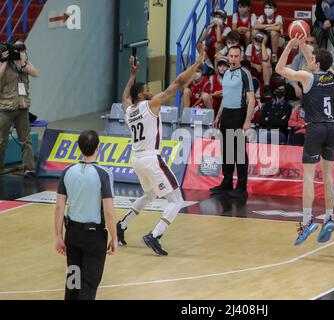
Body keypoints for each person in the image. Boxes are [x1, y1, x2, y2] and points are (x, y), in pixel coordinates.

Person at [116, 50, 206, 255]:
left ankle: (121, 225)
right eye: (147, 89)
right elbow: (177, 83)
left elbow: (124, 97)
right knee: (176, 200)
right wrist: (197, 64)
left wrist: (132, 75)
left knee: (149, 194)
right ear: (141, 95)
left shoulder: (129, 110)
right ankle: (155, 235)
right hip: (150, 158)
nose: (150, 91)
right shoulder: (151, 105)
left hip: (136, 159)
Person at [276, 36, 334, 246]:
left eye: (312, 60)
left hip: (316, 129)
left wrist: (290, 47)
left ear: (316, 64)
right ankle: (328, 217)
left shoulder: (307, 77)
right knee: (328, 175)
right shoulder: (332, 75)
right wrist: (302, 44)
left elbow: (279, 69)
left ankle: (306, 221)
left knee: (309, 177)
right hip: (332, 127)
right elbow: (316, 59)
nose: (308, 61)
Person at [54, 130, 118, 300]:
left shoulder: (67, 171)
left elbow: (60, 207)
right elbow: (109, 211)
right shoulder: (104, 174)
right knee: (89, 285)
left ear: (79, 148)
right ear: (99, 147)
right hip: (94, 237)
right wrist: (115, 237)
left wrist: (58, 236)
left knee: (73, 282)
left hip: (73, 235)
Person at [210, 46, 256, 198]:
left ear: (241, 57)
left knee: (239, 152)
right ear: (228, 57)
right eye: (231, 56)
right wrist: (218, 116)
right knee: (227, 150)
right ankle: (227, 182)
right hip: (227, 114)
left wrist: (248, 120)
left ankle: (242, 187)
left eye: (236, 56)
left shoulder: (245, 74)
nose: (233, 59)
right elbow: (226, 96)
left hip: (238, 114)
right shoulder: (227, 73)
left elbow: (251, 99)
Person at [0, 39, 39, 178]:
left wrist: (22, 63)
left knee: (26, 140)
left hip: (22, 107)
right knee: (1, 140)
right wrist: (5, 61)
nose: (19, 51)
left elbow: (36, 73)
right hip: (6, 107)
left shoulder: (24, 65)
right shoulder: (4, 64)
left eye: (22, 48)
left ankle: (29, 169)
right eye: (17, 48)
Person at [258, 77, 292, 144]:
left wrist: (269, 118)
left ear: (285, 92)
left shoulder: (288, 107)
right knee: (264, 137)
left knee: (272, 137)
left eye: (282, 90)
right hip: (265, 131)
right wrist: (278, 119)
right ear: (274, 91)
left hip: (280, 132)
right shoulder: (267, 105)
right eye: (278, 89)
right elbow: (261, 122)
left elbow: (284, 123)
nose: (280, 91)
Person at [285, 35, 318, 101]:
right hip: (301, 84)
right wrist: (295, 86)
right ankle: (296, 106)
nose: (309, 44)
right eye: (307, 42)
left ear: (316, 45)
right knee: (289, 87)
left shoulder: (320, 57)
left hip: (315, 85)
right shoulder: (299, 57)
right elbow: (290, 73)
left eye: (312, 43)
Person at [245, 31, 273, 98]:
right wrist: (255, 66)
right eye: (256, 40)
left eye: (260, 41)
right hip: (253, 70)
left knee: (266, 64)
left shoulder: (267, 49)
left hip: (264, 72)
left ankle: (267, 87)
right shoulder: (250, 47)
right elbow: (248, 62)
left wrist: (263, 45)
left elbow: (265, 58)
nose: (257, 42)